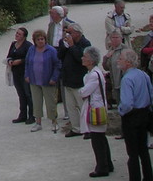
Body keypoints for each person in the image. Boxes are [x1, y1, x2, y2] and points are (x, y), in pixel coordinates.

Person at [117, 48, 153, 181]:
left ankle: (135, 177)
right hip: (144, 114)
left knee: (132, 153)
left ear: (127, 62)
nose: (118, 60)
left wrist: (121, 111)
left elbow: (127, 103)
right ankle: (148, 176)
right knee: (143, 149)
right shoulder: (143, 75)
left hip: (132, 117)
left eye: (120, 58)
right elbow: (151, 94)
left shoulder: (127, 79)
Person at [81, 45, 113, 178]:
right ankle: (107, 163)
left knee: (97, 140)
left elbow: (84, 92)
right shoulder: (95, 72)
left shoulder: (93, 75)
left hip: (95, 108)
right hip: (98, 106)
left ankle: (102, 167)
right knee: (101, 138)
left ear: (91, 60)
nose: (82, 58)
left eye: (85, 57)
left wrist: (80, 92)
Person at [59, 22, 92, 137]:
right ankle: (76, 128)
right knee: (71, 107)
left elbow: (81, 59)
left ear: (78, 33)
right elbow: (60, 55)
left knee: (83, 106)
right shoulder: (65, 42)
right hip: (67, 79)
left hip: (79, 81)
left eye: (70, 32)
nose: (68, 34)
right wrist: (64, 44)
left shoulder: (85, 43)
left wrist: (72, 46)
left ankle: (88, 129)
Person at [25, 29, 60, 132]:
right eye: (38, 39)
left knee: (51, 103)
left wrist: (54, 78)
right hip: (34, 80)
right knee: (36, 102)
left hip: (48, 81)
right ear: (34, 41)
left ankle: (54, 122)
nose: (40, 41)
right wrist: (26, 75)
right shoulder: (31, 49)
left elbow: (57, 65)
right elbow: (27, 63)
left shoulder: (51, 50)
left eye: (42, 39)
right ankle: (38, 122)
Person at [6, 26, 34, 123]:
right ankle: (22, 114)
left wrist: (20, 61)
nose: (17, 35)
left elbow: (30, 59)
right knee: (21, 94)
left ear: (24, 36)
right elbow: (9, 55)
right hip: (16, 72)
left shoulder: (28, 46)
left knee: (28, 94)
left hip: (25, 72)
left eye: (19, 34)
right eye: (16, 33)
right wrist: (10, 61)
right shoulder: (13, 44)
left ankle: (32, 115)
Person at [104, 30, 127, 107]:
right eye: (113, 37)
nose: (115, 39)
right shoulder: (111, 50)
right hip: (114, 83)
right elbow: (106, 67)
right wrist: (106, 58)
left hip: (123, 83)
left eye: (117, 37)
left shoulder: (125, 49)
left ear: (121, 38)